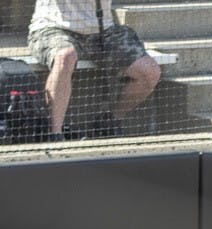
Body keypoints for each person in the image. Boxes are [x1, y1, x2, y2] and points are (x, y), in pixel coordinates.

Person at [27, 0, 161, 139]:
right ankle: (54, 134)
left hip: (103, 29)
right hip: (53, 27)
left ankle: (110, 121)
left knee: (149, 72)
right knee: (65, 57)